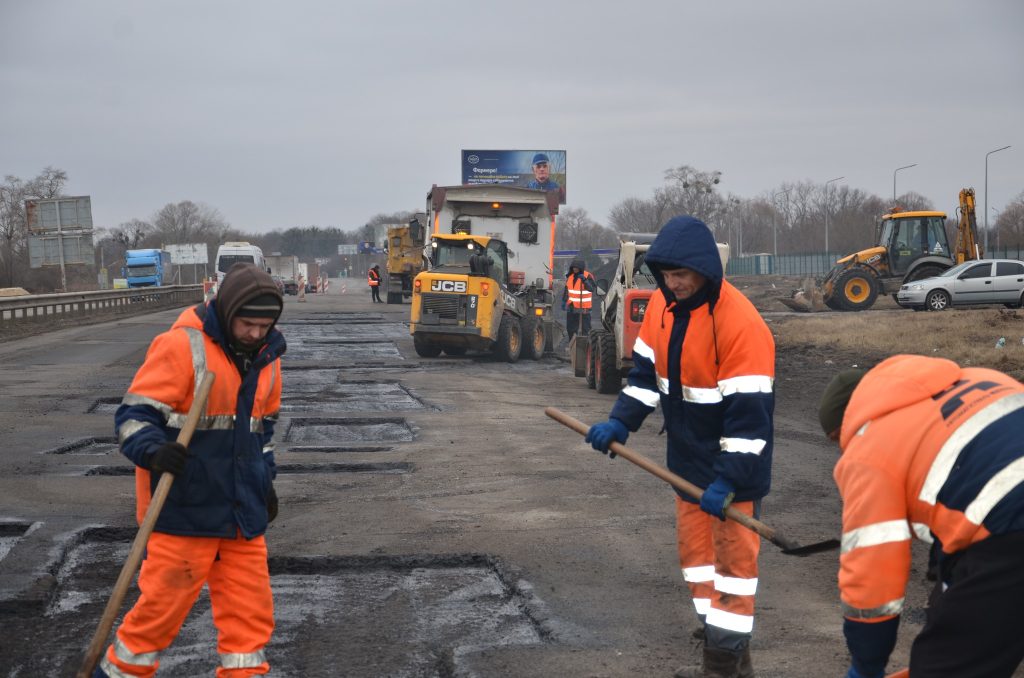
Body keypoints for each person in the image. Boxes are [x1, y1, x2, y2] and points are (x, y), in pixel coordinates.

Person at [585, 215, 774, 678]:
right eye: (667, 275)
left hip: (732, 472)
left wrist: (728, 480)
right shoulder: (661, 309)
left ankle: (722, 667)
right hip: (686, 465)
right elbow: (647, 379)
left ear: (705, 271)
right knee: (697, 564)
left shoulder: (741, 324)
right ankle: (725, 646)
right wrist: (619, 424)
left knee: (733, 570)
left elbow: (749, 423)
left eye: (682, 276)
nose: (674, 284)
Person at [97, 262, 286, 677]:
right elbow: (133, 416)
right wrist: (153, 452)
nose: (256, 333)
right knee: (158, 614)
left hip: (241, 514)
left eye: (265, 325)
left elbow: (262, 430)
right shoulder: (182, 346)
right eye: (248, 324)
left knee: (250, 621)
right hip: (184, 509)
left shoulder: (268, 358)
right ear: (227, 311)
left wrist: (264, 480)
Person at [818, 355, 1024, 678]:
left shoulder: (869, 448)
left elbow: (872, 572)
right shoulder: (977, 379)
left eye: (838, 440)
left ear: (850, 421)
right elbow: (963, 502)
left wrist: (866, 663)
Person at [562, 257, 595, 341]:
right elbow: (567, 290)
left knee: (585, 329)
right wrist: (564, 300)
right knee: (570, 328)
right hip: (572, 306)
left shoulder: (588, 276)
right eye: (573, 267)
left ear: (581, 268)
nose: (575, 269)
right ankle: (572, 345)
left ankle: (585, 347)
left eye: (576, 267)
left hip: (584, 307)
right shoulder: (570, 277)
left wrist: (584, 280)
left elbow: (591, 288)